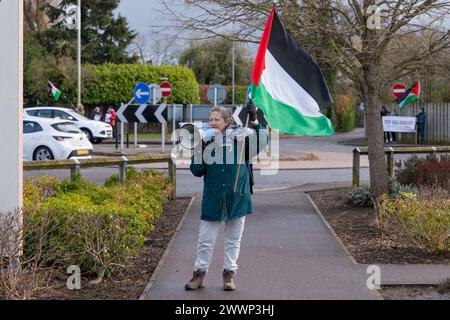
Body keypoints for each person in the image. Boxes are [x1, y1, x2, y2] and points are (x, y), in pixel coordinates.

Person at [185, 102, 268, 291]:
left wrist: (255, 120)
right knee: (205, 239)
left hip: (237, 196)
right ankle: (199, 274)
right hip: (213, 198)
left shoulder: (241, 138)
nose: (212, 122)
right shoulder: (205, 141)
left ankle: (229, 275)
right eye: (210, 119)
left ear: (227, 121)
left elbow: (261, 141)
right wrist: (198, 148)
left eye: (216, 119)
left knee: (233, 239)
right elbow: (197, 171)